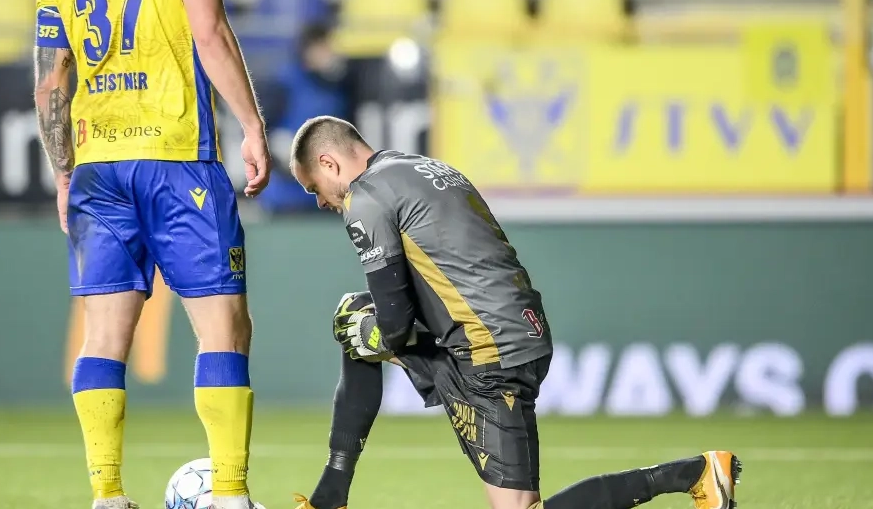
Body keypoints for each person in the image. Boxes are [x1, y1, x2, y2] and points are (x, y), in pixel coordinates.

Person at [286, 116, 741, 509]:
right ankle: (332, 495)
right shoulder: (426, 168)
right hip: (517, 331)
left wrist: (376, 336)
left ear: (329, 163)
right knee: (355, 318)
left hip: (488, 350)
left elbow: (395, 322)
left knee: (520, 508)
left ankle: (694, 474)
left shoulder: (366, 196)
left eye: (314, 188)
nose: (321, 201)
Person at [32, 0, 269, 508]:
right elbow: (208, 29)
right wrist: (251, 124)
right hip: (176, 156)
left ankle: (107, 494)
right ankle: (229, 495)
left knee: (104, 338)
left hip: (97, 168)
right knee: (224, 328)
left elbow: (51, 81)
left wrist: (63, 171)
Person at [258, 22, 349, 214]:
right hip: (286, 200)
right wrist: (278, 146)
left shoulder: (340, 88)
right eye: (324, 47)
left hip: (328, 201)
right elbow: (259, 132)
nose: (331, 54)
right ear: (309, 50)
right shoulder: (283, 85)